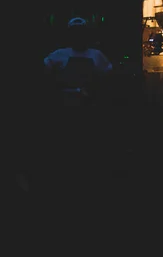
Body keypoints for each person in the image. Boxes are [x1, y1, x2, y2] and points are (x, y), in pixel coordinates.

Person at [42, 17, 113, 199]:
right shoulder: (59, 54)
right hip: (66, 109)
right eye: (75, 33)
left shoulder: (96, 55)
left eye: (81, 32)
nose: (78, 36)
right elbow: (44, 72)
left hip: (89, 108)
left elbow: (107, 78)